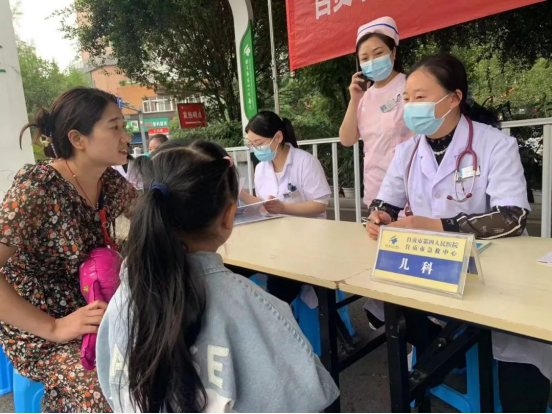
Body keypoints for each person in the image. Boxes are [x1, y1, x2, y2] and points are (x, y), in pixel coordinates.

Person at [96, 140, 339, 413]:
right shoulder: (253, 305)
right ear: (229, 216)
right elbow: (305, 395)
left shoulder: (123, 299)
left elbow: (109, 381)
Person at [365, 53, 548, 413]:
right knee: (405, 319)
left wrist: (438, 226)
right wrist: (379, 216)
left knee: (520, 361)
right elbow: (385, 202)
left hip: (499, 274)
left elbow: (512, 218)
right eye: (406, 98)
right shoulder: (407, 151)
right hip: (434, 269)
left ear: (454, 98)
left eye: (420, 97)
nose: (410, 106)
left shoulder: (494, 144)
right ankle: (443, 362)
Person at [0, 87, 138, 413]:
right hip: (42, 331)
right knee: (108, 389)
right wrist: (55, 327)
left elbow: (150, 217)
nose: (126, 136)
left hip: (96, 311)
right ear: (78, 139)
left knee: (169, 354)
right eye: (114, 127)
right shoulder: (37, 189)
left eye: (124, 126)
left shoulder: (109, 182)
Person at [240, 111, 331, 303]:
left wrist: (283, 208)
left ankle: (277, 316)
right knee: (238, 269)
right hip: (275, 240)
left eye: (258, 143)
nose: (255, 149)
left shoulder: (305, 162)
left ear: (278, 137)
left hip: (306, 240)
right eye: (251, 145)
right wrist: (240, 194)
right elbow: (265, 206)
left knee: (279, 287)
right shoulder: (261, 168)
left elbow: (320, 205)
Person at [339, 16, 412, 208]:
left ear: (393, 53)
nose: (372, 61)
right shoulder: (363, 97)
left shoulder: (410, 86)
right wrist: (354, 100)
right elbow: (347, 139)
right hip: (376, 189)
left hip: (409, 187)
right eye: (364, 58)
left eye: (378, 53)